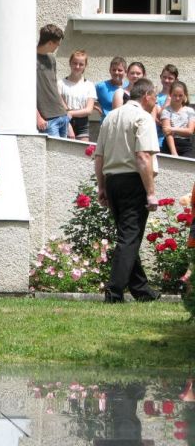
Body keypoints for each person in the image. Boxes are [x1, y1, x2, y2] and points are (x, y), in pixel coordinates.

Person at [94, 78, 162, 303]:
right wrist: (150, 192)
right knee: (129, 238)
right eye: (154, 96)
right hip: (134, 182)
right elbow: (143, 157)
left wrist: (101, 186)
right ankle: (113, 292)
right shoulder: (143, 117)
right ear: (146, 96)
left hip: (113, 182)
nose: (156, 100)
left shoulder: (110, 117)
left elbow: (99, 157)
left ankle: (142, 290)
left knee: (127, 237)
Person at [36, 24, 68, 138]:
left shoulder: (52, 59)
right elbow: (24, 92)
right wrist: (37, 117)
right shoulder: (29, 58)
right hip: (47, 119)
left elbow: (53, 85)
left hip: (62, 115)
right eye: (57, 44)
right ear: (50, 43)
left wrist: (65, 110)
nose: (57, 47)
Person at [57, 50, 97, 142]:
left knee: (82, 153)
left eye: (81, 64)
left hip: (82, 122)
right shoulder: (61, 84)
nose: (77, 66)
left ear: (85, 66)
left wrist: (70, 113)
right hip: (64, 121)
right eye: (75, 63)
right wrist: (68, 119)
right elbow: (61, 107)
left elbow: (89, 110)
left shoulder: (89, 85)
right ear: (70, 63)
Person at [160, 81, 194, 157]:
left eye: (180, 95)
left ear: (185, 95)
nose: (177, 98)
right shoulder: (166, 111)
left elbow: (189, 131)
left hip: (186, 145)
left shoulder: (190, 111)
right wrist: (173, 152)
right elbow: (167, 133)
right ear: (170, 94)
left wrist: (172, 129)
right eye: (175, 95)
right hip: (169, 145)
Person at [153, 64, 179, 149]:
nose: (167, 80)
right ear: (160, 77)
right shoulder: (156, 96)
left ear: (176, 80)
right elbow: (158, 116)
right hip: (157, 138)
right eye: (164, 77)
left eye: (170, 78)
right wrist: (167, 101)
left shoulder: (177, 98)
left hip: (173, 140)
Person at [95, 56, 127, 121]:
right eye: (114, 70)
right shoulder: (101, 87)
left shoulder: (129, 86)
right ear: (110, 71)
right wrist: (95, 107)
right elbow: (87, 99)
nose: (116, 72)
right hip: (107, 124)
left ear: (125, 71)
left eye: (120, 70)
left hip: (125, 124)